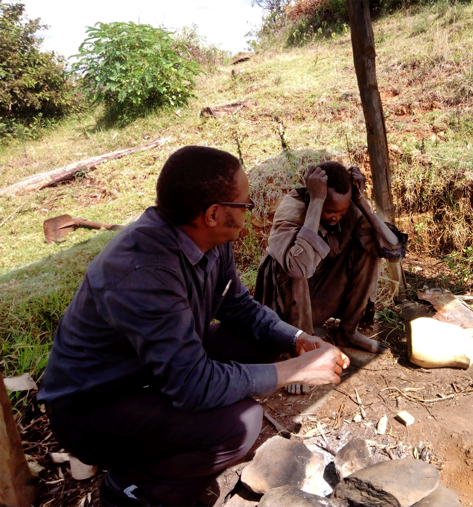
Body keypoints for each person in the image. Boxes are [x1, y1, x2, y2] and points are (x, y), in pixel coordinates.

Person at [37, 146, 350, 507]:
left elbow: (239, 308)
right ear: (214, 213)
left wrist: (297, 339)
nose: (250, 212)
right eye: (245, 205)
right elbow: (190, 385)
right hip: (94, 410)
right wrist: (294, 371)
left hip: (150, 371)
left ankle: (168, 434)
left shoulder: (211, 240)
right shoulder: (144, 271)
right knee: (240, 425)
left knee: (259, 339)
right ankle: (132, 487)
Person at [255, 161, 407, 355]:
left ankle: (348, 332)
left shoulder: (349, 209)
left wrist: (362, 203)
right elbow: (298, 268)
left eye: (342, 212)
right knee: (298, 263)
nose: (337, 218)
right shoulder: (292, 208)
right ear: (313, 197)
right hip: (287, 311)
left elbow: (393, 250)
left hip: (322, 298)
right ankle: (301, 349)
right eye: (330, 211)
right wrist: (317, 204)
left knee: (369, 248)